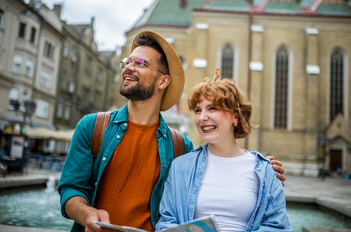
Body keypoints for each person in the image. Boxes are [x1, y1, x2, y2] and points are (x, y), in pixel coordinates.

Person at [58, 31, 286, 232]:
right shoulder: (92, 126)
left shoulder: (180, 146)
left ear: (163, 81)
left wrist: (262, 169)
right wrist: (87, 214)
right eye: (127, 61)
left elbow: (218, 167)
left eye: (140, 63)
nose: (128, 67)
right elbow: (70, 189)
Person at [156, 70, 292, 231]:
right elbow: (166, 222)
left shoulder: (266, 170)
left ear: (236, 116)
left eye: (212, 108)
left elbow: (278, 227)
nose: (202, 117)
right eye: (198, 110)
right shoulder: (181, 167)